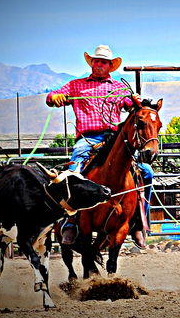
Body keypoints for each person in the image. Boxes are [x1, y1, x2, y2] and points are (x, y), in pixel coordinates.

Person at [45, 44, 149, 248]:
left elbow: (130, 105)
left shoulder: (118, 88)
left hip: (114, 139)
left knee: (145, 172)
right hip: (88, 138)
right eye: (96, 60)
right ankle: (71, 222)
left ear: (110, 66)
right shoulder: (76, 85)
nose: (99, 64)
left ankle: (138, 222)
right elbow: (51, 98)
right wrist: (54, 97)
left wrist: (134, 100)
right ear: (92, 63)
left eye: (103, 62)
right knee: (73, 173)